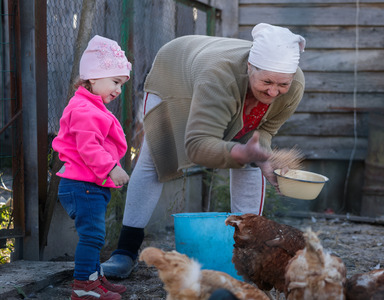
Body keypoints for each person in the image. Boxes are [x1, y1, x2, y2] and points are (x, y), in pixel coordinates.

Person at [102, 23, 306, 278]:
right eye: (266, 81)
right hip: (177, 73)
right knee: (156, 159)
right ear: (249, 67)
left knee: (252, 160)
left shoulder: (294, 86)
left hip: (217, 78)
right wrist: (242, 153)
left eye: (282, 84)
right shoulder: (219, 77)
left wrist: (264, 158)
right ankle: (125, 252)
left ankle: (247, 252)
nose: (274, 91)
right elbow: (198, 146)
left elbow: (264, 132)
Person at [52, 35, 132, 300]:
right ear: (94, 78)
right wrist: (112, 169)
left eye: (121, 83)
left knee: (94, 235)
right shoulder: (84, 110)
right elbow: (89, 148)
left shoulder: (91, 106)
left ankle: (94, 279)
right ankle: (83, 287)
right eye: (115, 81)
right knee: (93, 236)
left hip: (88, 186)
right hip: (82, 186)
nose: (119, 89)